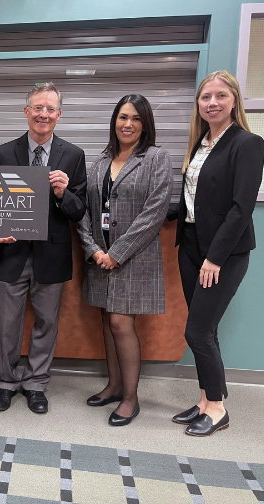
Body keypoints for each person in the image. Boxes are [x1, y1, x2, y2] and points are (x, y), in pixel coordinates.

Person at [172, 71, 264, 436]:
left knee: (197, 331)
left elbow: (241, 209)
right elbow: (195, 200)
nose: (212, 102)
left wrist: (215, 258)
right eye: (206, 97)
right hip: (191, 245)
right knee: (205, 330)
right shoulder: (201, 144)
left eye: (220, 96)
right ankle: (206, 400)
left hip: (221, 253)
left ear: (234, 101)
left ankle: (218, 410)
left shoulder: (248, 143)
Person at [0, 82, 87, 414]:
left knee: (47, 321)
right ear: (26, 111)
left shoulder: (73, 155)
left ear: (58, 115)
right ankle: (6, 382)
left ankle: (35, 383)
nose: (43, 114)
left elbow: (79, 210)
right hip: (10, 253)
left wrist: (63, 194)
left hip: (52, 253)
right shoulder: (3, 153)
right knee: (5, 323)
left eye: (50, 109)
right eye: (37, 107)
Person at [77, 94, 173, 426]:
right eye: (122, 117)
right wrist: (93, 249)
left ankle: (131, 398)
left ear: (145, 123)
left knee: (121, 322)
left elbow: (155, 212)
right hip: (100, 256)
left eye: (134, 118)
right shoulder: (102, 161)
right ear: (114, 121)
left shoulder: (156, 158)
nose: (127, 124)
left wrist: (116, 254)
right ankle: (114, 386)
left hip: (133, 257)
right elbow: (85, 210)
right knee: (107, 320)